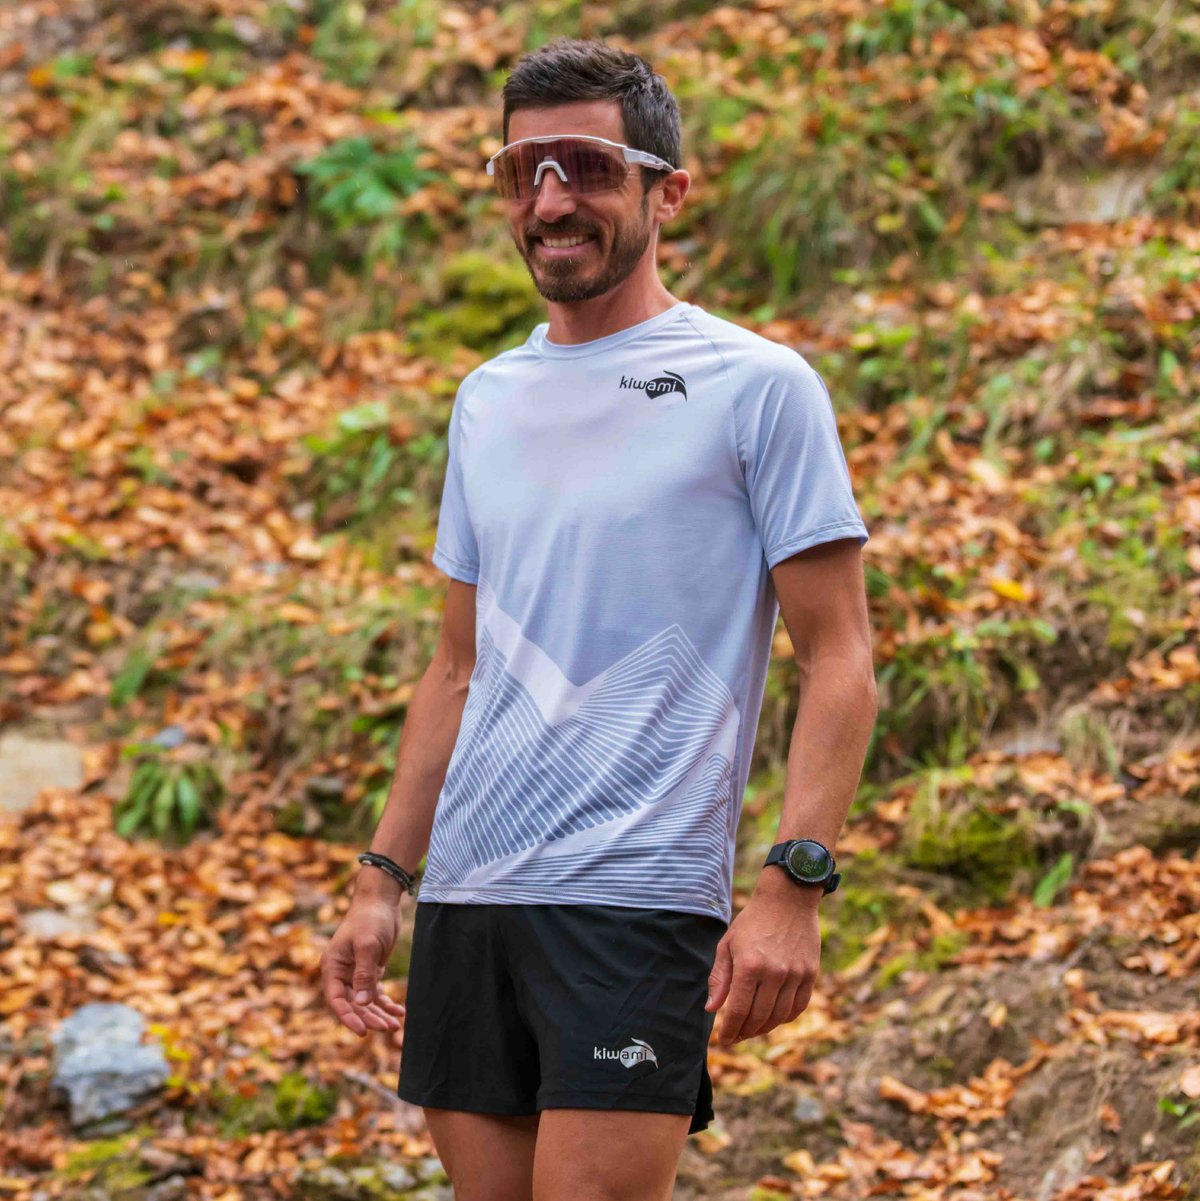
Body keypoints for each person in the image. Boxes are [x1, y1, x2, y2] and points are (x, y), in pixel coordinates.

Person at [319, 36, 877, 1201]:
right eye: (522, 171)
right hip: (471, 897)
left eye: (585, 166)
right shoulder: (488, 399)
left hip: (637, 897)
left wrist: (794, 884)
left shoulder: (757, 386)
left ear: (667, 192)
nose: (549, 200)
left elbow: (839, 656)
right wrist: (382, 878)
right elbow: (457, 668)